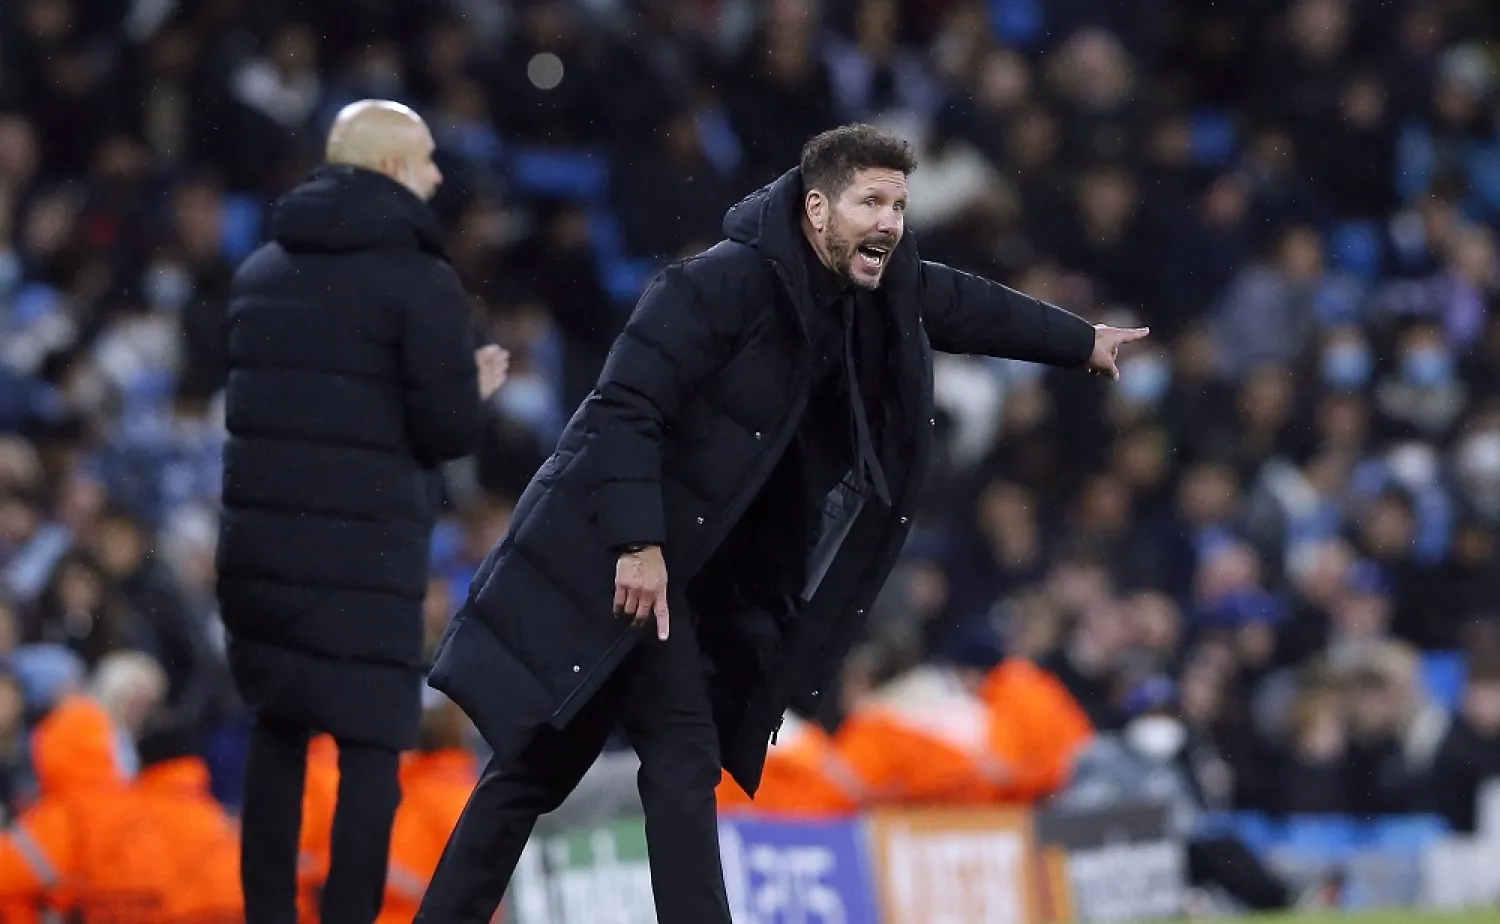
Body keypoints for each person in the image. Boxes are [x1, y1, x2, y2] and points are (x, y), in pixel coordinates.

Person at [420, 124, 1147, 923]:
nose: (891, 222)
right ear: (816, 207)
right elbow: (622, 410)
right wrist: (638, 543)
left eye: (900, 205)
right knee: (669, 757)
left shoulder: (878, 286)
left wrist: (1080, 342)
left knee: (543, 766)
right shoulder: (714, 285)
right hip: (626, 550)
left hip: (690, 568)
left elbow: (966, 305)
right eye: (871, 201)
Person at [217, 99, 509, 924]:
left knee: (278, 734)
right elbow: (443, 429)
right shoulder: (421, 282)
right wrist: (472, 388)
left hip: (264, 557)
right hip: (366, 563)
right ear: (388, 170)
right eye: (425, 160)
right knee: (370, 751)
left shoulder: (260, 273)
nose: (439, 175)